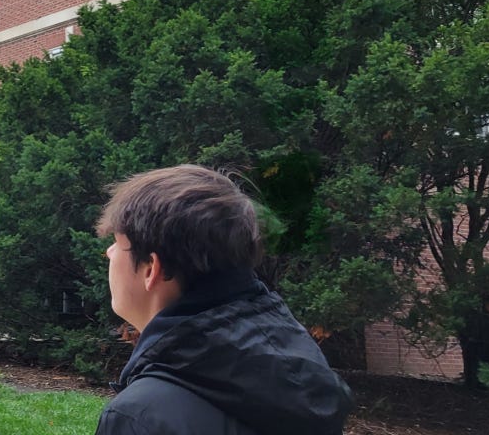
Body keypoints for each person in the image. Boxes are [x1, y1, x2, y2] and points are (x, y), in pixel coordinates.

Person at [94, 165, 353, 435]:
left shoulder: (141, 418)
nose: (110, 253)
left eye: (116, 243)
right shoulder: (299, 376)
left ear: (151, 269)